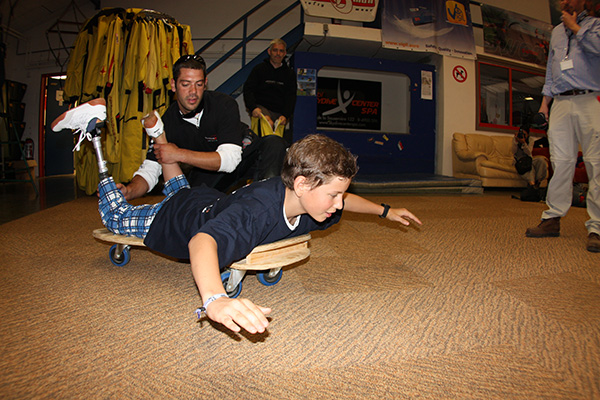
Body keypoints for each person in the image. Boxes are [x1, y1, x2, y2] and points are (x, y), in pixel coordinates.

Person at [52, 99, 422, 335]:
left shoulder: (312, 202)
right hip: (178, 218)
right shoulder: (258, 212)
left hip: (206, 198)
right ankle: (93, 131)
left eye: (340, 194)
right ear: (303, 183)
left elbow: (348, 200)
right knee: (116, 218)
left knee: (177, 183)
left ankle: (158, 133)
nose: (339, 205)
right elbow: (202, 242)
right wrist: (215, 299)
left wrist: (385, 211)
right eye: (333, 195)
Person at [119, 54, 288, 200]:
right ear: (173, 85)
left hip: (247, 155)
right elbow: (150, 168)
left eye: (198, 84)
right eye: (185, 84)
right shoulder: (167, 122)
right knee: (191, 202)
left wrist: (178, 154)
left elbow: (229, 160)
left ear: (205, 83)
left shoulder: (223, 104)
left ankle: (266, 204)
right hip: (209, 171)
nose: (193, 92)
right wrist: (129, 190)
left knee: (274, 142)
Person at [525, 0, 600, 253]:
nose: (564, 2)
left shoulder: (595, 25)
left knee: (595, 162)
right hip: (560, 102)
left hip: (591, 98)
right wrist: (544, 105)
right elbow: (550, 70)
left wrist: (577, 28)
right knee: (560, 161)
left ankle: (597, 228)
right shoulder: (556, 31)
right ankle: (552, 218)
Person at [243, 38, 297, 143]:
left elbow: (291, 96)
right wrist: (253, 108)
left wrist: (285, 115)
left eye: (281, 51)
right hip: (262, 108)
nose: (278, 53)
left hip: (279, 111)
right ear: (269, 52)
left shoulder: (289, 74)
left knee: (277, 136)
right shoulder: (259, 69)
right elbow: (248, 89)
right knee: (268, 123)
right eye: (275, 50)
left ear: (285, 53)